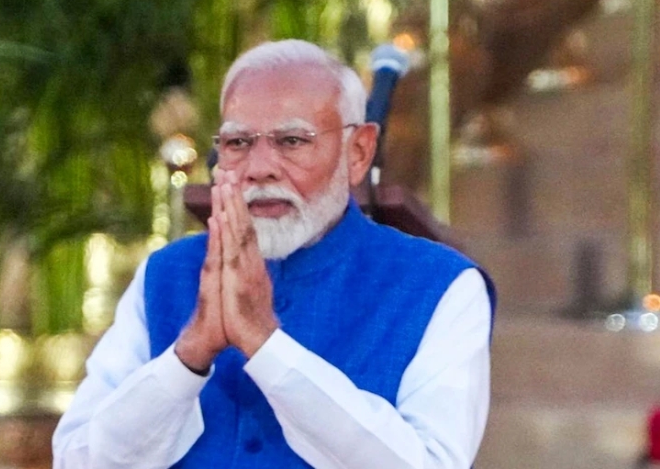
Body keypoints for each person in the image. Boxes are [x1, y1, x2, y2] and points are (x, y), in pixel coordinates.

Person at [52, 39, 496, 469]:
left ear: (358, 152)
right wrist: (188, 355)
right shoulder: (165, 275)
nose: (259, 168)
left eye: (292, 141)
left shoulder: (442, 287)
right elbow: (79, 461)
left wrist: (268, 347)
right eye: (238, 143)